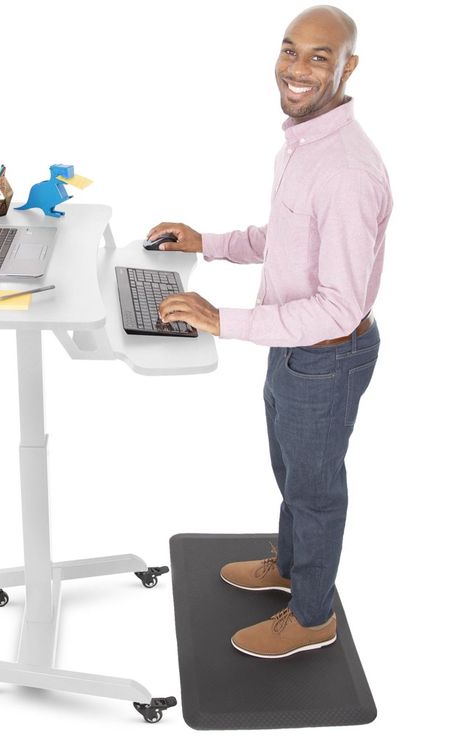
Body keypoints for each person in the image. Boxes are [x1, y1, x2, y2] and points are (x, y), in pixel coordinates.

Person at [148, 5, 392, 659]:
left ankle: (313, 616)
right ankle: (288, 565)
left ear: (349, 67)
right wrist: (210, 243)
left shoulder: (345, 172)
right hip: (293, 349)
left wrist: (220, 321)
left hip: (324, 356)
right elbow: (280, 239)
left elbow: (337, 308)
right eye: (291, 50)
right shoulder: (304, 145)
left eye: (320, 56)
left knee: (314, 491)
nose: (298, 68)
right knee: (291, 471)